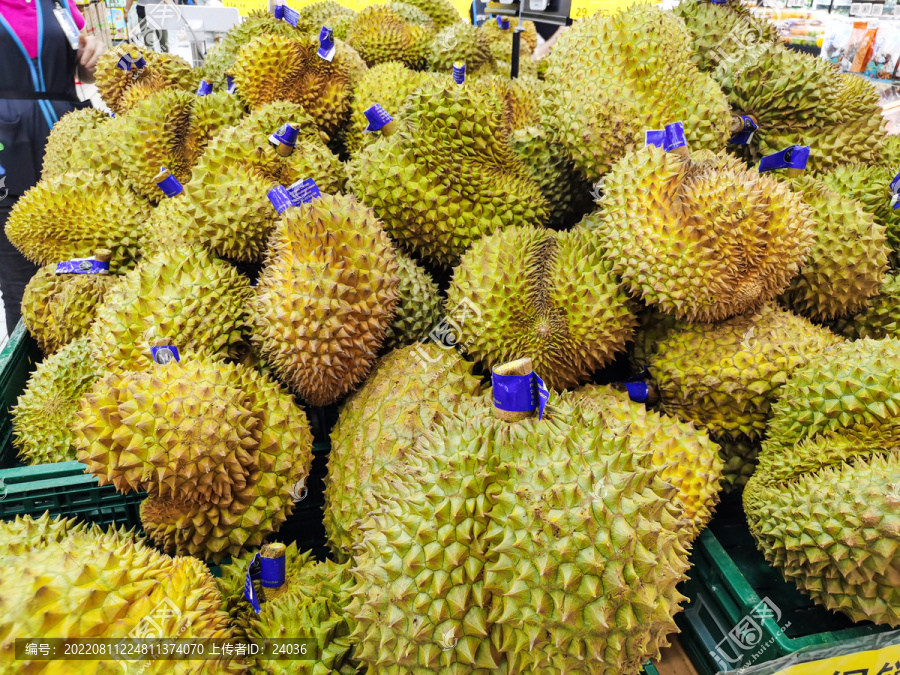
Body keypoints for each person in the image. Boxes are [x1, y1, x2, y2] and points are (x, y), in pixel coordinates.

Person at [0, 0, 104, 335]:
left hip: (69, 143)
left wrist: (94, 56)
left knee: (87, 272)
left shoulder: (58, 4)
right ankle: (24, 376)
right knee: (20, 284)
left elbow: (83, 67)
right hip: (6, 155)